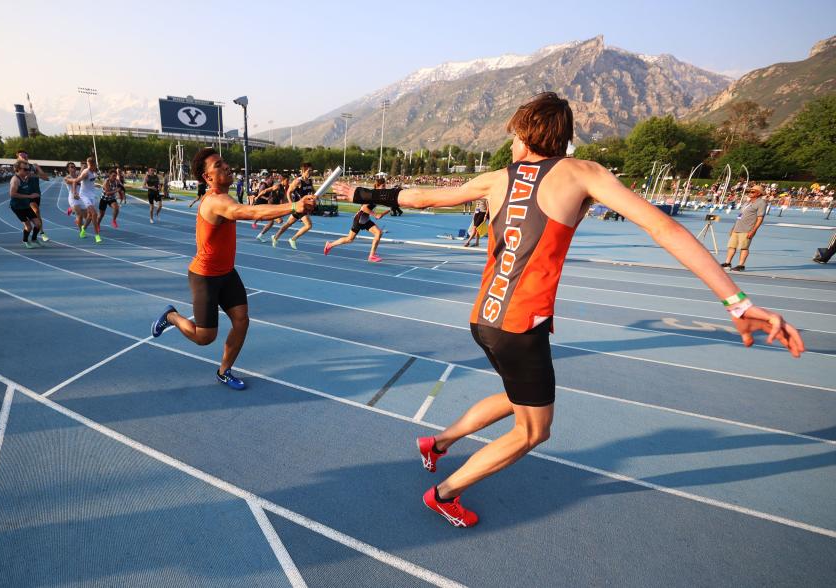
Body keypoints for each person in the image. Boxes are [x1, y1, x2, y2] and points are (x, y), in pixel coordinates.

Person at [334, 92, 805, 528]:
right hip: (519, 327)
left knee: (518, 396)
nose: (512, 145)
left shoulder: (498, 179)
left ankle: (436, 443)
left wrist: (359, 194)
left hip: (485, 319)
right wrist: (737, 301)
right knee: (534, 430)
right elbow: (664, 229)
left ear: (527, 135)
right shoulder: (584, 174)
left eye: (514, 136)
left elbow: (420, 197)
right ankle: (444, 492)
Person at [150, 148, 316, 390]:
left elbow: (247, 209)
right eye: (218, 165)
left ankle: (224, 371)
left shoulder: (224, 196)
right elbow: (246, 212)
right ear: (207, 177)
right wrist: (293, 207)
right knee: (204, 338)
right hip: (205, 277)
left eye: (224, 162)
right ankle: (171, 316)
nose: (226, 166)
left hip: (227, 273)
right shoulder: (215, 201)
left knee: (241, 321)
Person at [721, 185, 767, 271]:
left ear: (759, 193)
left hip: (747, 229)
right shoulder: (747, 203)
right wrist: (733, 227)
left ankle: (741, 265)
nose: (750, 193)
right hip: (737, 228)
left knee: (744, 247)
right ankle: (727, 263)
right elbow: (740, 215)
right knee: (731, 246)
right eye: (750, 191)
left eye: (753, 192)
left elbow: (760, 218)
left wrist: (753, 230)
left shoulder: (761, 203)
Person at [271, 162, 316, 249]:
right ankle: (293, 239)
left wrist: (314, 197)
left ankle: (275, 237)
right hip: (298, 207)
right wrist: (292, 204)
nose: (310, 172)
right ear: (303, 171)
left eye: (311, 171)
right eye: (309, 171)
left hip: (305, 207)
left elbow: (313, 191)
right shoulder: (298, 181)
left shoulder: (310, 181)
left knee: (288, 224)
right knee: (308, 225)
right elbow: (288, 192)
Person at [16, 150, 50, 242]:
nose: (24, 156)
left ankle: (36, 235)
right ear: (18, 158)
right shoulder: (18, 168)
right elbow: (19, 179)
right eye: (21, 155)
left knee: (35, 215)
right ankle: (41, 233)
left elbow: (46, 178)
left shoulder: (34, 166)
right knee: (36, 211)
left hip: (36, 194)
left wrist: (35, 175)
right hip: (26, 195)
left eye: (25, 155)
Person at [8, 161, 42, 249]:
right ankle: (25, 240)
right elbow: (12, 194)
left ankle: (34, 239)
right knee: (29, 226)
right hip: (17, 207)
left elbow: (43, 177)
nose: (28, 171)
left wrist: (38, 169)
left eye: (29, 169)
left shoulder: (26, 177)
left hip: (26, 205)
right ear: (17, 169)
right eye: (25, 169)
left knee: (38, 224)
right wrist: (29, 196)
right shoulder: (15, 180)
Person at [72, 156, 103, 243]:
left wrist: (95, 185)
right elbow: (75, 181)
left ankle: (83, 229)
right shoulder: (86, 172)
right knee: (94, 214)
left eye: (91, 166)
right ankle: (97, 235)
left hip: (92, 195)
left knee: (89, 216)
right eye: (89, 166)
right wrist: (75, 193)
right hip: (84, 195)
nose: (91, 167)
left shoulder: (94, 171)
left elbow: (90, 182)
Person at [255, 175, 290, 241]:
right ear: (283, 180)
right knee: (280, 221)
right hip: (271, 206)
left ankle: (259, 236)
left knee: (271, 223)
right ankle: (263, 216)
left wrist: (291, 205)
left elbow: (284, 200)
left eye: (288, 181)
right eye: (287, 181)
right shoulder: (277, 186)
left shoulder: (284, 189)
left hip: (276, 207)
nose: (288, 182)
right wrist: (257, 197)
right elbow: (264, 191)